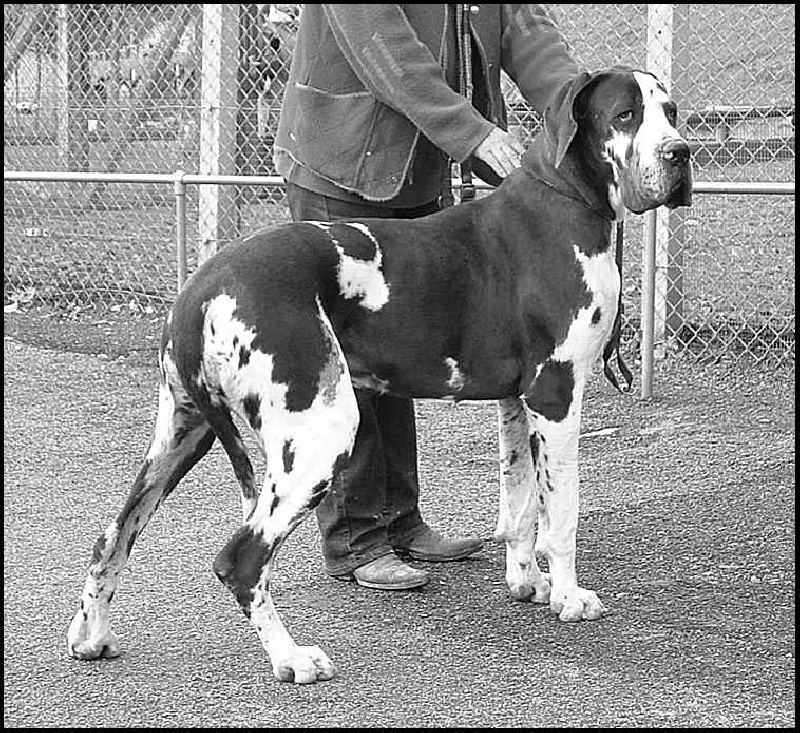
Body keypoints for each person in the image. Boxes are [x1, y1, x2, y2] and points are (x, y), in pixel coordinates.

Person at [273, 4, 582, 590]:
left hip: (415, 169)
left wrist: (581, 110)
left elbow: (527, 31)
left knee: (404, 345)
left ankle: (402, 521)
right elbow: (383, 47)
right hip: (341, 166)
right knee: (348, 360)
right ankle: (356, 539)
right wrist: (473, 134)